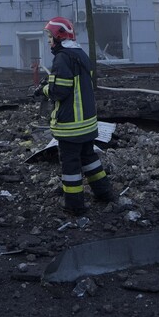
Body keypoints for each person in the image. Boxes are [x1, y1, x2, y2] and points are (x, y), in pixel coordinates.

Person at [39, 16, 114, 214]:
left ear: (59, 36)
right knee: (89, 158)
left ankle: (74, 205)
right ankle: (104, 193)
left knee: (70, 165)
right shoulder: (80, 54)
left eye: (50, 37)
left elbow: (59, 91)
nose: (48, 41)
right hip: (87, 123)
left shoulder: (62, 58)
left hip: (71, 125)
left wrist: (44, 90)